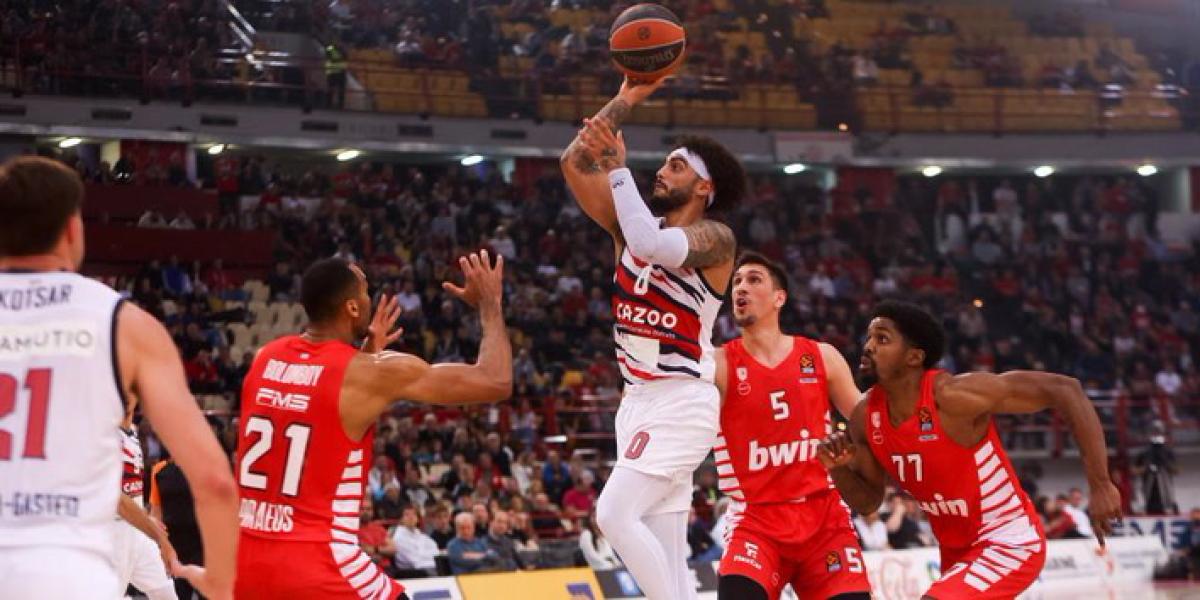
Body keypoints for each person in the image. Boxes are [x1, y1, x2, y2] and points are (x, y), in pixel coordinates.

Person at [0, 156, 237, 600]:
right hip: (71, 575)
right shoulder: (125, 324)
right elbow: (214, 481)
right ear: (73, 230)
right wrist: (220, 582)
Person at [562, 75, 746, 600]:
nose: (662, 171)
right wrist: (627, 99)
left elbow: (648, 241)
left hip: (681, 400)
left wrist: (619, 169)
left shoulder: (715, 239)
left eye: (677, 166)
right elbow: (574, 163)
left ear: (705, 187)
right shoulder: (627, 226)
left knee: (613, 516)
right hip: (636, 402)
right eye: (664, 163)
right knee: (669, 555)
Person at [234, 251, 511, 599]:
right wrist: (490, 304)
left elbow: (313, 403)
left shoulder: (264, 358)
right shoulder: (372, 374)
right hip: (318, 564)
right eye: (365, 292)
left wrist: (364, 355)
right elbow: (495, 381)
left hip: (244, 562)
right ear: (351, 308)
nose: (369, 300)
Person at [818, 301, 1122, 599]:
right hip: (956, 553)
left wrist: (1101, 483)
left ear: (913, 357)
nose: (868, 346)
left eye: (882, 339)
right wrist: (838, 467)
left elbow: (1066, 390)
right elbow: (869, 502)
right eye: (869, 337)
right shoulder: (864, 417)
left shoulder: (953, 396)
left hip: (1007, 541)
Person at [711, 253, 871, 600]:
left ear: (779, 298)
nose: (741, 288)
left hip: (824, 517)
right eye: (736, 281)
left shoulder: (821, 356)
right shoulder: (718, 364)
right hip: (756, 521)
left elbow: (867, 420)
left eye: (754, 280)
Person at [115, 416, 179, 600]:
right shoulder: (103, 430)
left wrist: (145, 518)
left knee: (166, 592)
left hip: (137, 531)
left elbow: (132, 492)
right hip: (112, 531)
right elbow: (116, 499)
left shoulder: (132, 430)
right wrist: (158, 536)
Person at [391, 505, 439, 577]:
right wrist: (428, 555)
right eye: (407, 514)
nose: (411, 517)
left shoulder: (422, 536)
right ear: (401, 519)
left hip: (430, 567)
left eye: (414, 514)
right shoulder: (398, 538)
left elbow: (436, 552)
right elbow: (415, 561)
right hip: (412, 573)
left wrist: (423, 555)